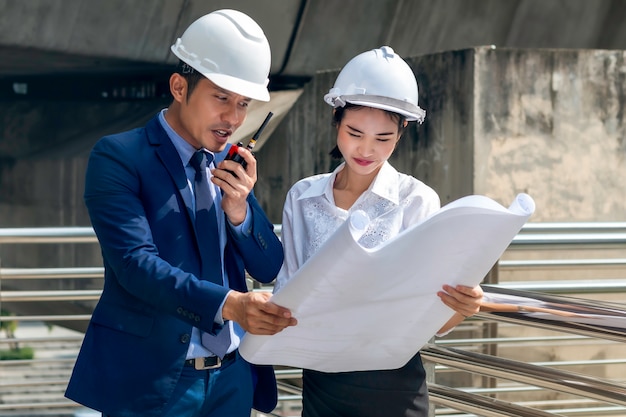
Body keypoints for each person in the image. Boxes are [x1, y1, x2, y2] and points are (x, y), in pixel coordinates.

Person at [65, 9, 297, 417]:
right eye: (221, 98)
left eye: (243, 103)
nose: (234, 118)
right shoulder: (119, 157)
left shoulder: (230, 162)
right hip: (153, 382)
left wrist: (240, 211)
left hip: (232, 378)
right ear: (178, 86)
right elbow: (135, 266)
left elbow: (269, 263)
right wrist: (230, 305)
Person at [273, 46, 484, 417]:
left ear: (401, 133)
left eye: (383, 138)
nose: (366, 149)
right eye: (355, 132)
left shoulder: (416, 200)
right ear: (336, 120)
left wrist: (463, 307)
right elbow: (288, 293)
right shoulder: (302, 198)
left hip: (394, 388)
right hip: (322, 384)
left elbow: (431, 315)